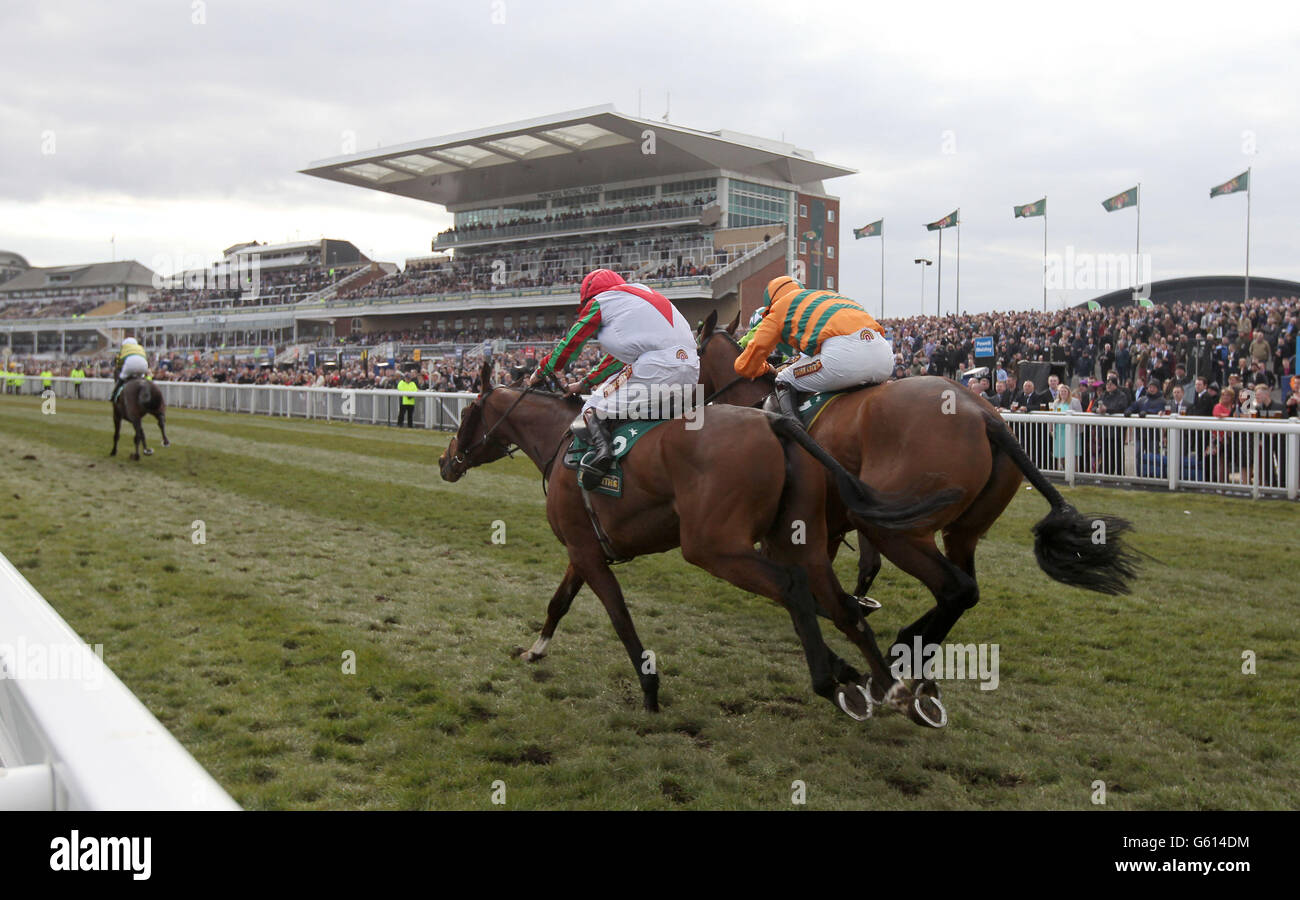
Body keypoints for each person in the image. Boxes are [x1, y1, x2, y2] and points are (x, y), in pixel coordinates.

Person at [528, 269, 698, 489]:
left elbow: (570, 344)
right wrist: (584, 383)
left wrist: (541, 371)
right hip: (692, 369)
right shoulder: (639, 296)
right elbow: (617, 360)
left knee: (591, 408)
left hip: (657, 368)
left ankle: (601, 459)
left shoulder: (601, 301)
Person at [733, 275, 892, 424]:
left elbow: (745, 366)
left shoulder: (779, 308)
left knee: (783, 378)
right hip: (884, 356)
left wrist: (766, 368)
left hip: (843, 358)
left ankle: (794, 432)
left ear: (770, 303)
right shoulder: (827, 296)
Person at [111, 337, 149, 402]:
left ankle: (114, 396)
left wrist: (119, 367)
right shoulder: (140, 347)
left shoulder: (124, 348)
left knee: (121, 378)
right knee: (142, 379)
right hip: (143, 365)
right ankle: (147, 394)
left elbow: (119, 362)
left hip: (130, 364)